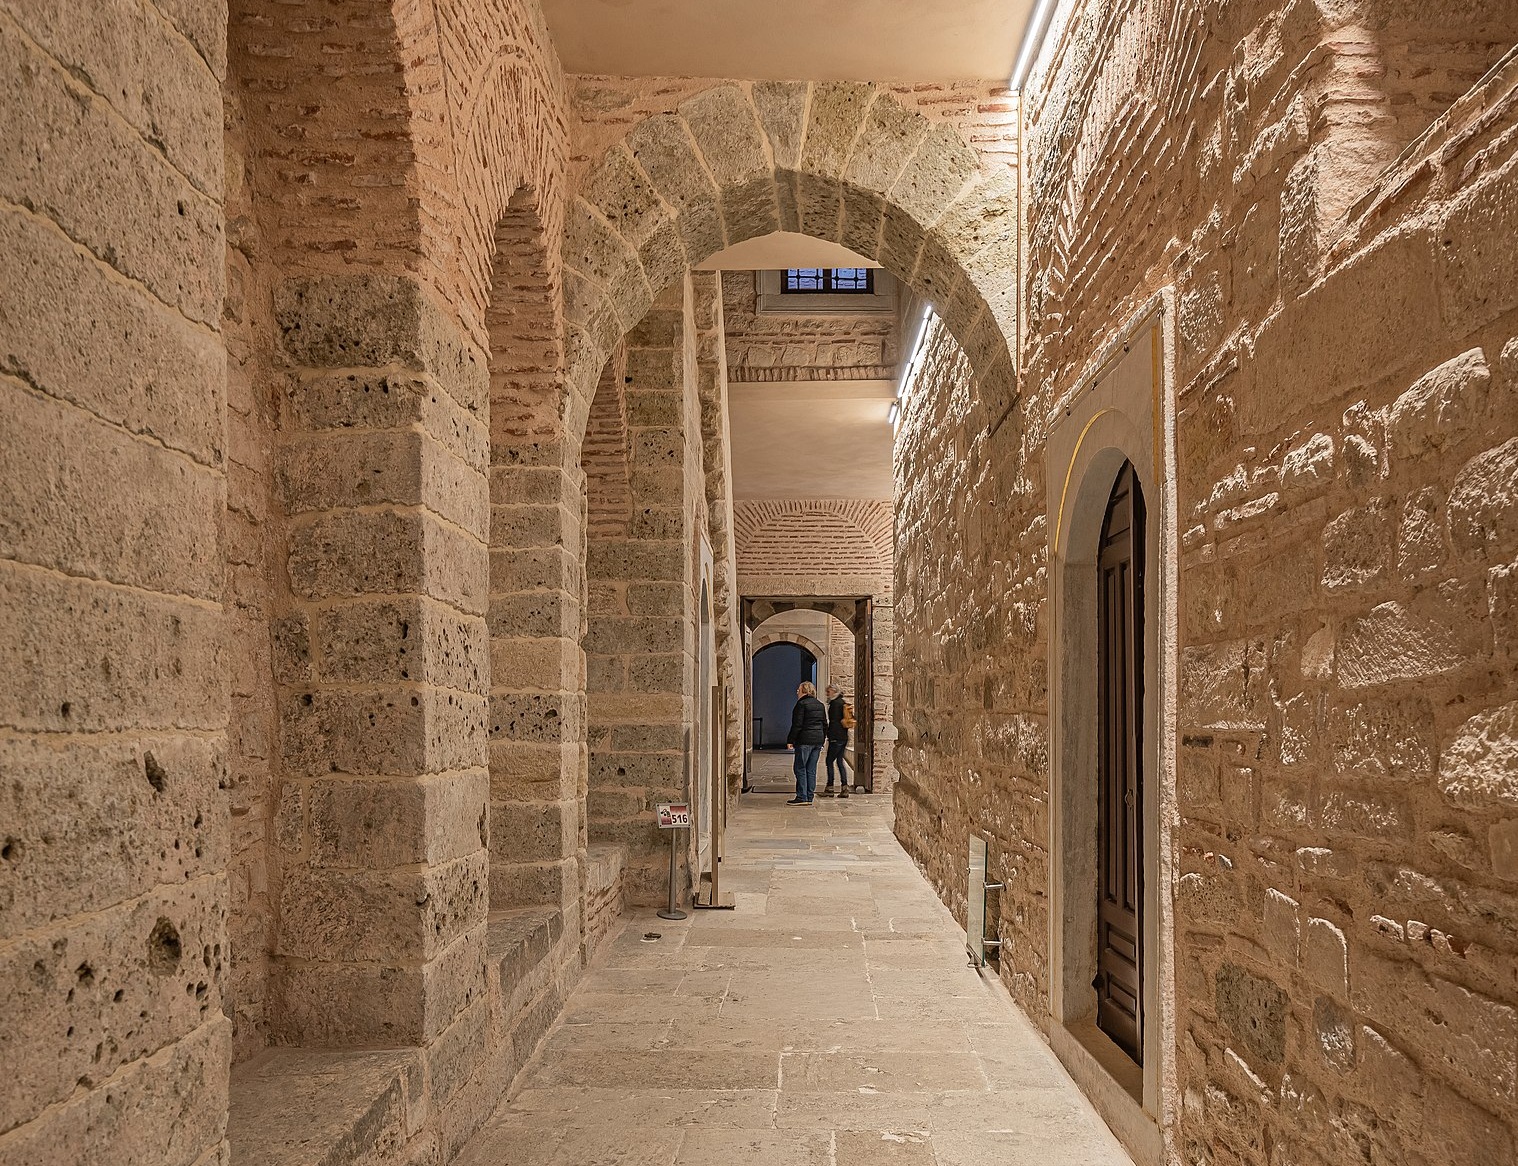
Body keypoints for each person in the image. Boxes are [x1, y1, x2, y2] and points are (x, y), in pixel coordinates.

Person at [785, 680, 827, 805]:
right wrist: (822, 738)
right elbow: (825, 724)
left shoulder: (801, 704)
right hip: (817, 741)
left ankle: (802, 796)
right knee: (811, 769)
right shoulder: (820, 705)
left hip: (804, 740)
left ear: (804, 690)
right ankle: (809, 796)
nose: (797, 691)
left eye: (799, 689)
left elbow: (797, 724)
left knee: (800, 768)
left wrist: (790, 740)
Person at [820, 684, 851, 798]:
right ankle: (844, 787)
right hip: (844, 736)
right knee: (839, 761)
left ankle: (830, 787)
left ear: (834, 691)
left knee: (829, 761)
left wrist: (828, 735)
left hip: (835, 736)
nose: (827, 694)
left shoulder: (834, 704)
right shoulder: (843, 702)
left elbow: (833, 721)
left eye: (828, 691)